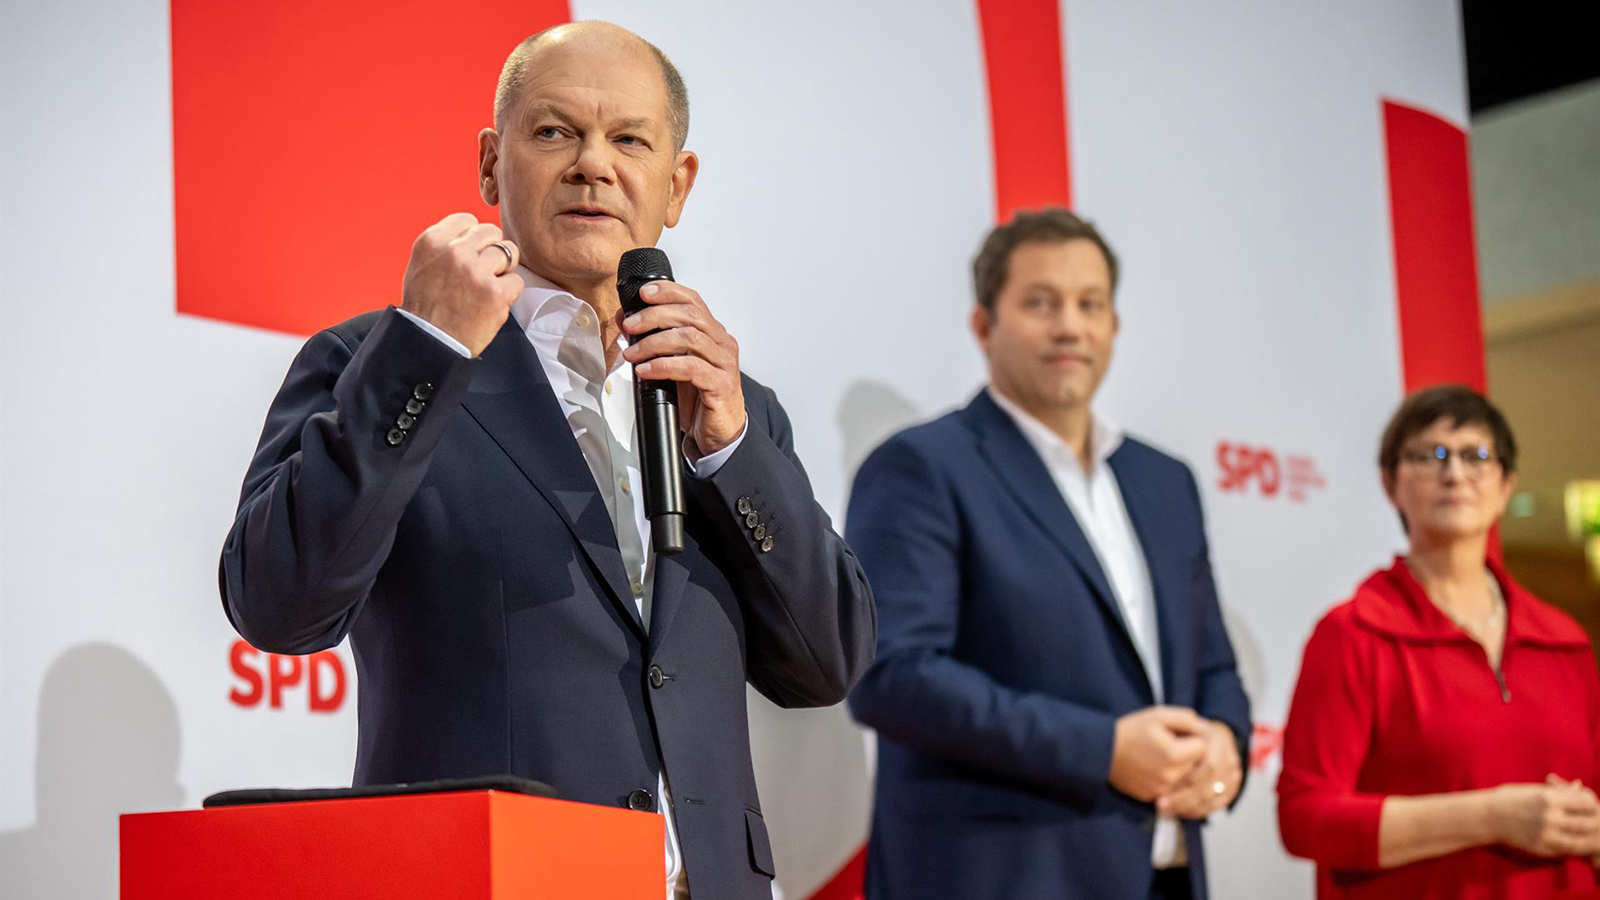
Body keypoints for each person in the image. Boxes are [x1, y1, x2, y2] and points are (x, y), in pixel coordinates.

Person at [218, 23, 875, 900]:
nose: (593, 165)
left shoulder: (724, 403)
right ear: (492, 166)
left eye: (629, 140)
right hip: (490, 877)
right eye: (554, 132)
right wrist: (422, 349)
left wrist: (731, 448)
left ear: (676, 186)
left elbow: (826, 662)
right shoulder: (377, 363)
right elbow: (277, 604)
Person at [846, 208, 1251, 900]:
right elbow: (893, 674)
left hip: (1165, 871)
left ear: (1114, 326)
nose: (1071, 326)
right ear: (984, 325)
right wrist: (1106, 750)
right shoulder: (922, 466)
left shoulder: (1165, 481)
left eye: (1091, 304)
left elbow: (1210, 662)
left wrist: (1226, 744)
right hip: (1002, 876)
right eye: (1041, 303)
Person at [1278, 385, 1600, 898]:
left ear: (1505, 484)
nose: (1454, 475)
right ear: (1390, 484)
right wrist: (1492, 816)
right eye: (1430, 456)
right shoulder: (1354, 633)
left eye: (1476, 457)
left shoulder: (1564, 641)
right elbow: (1306, 818)